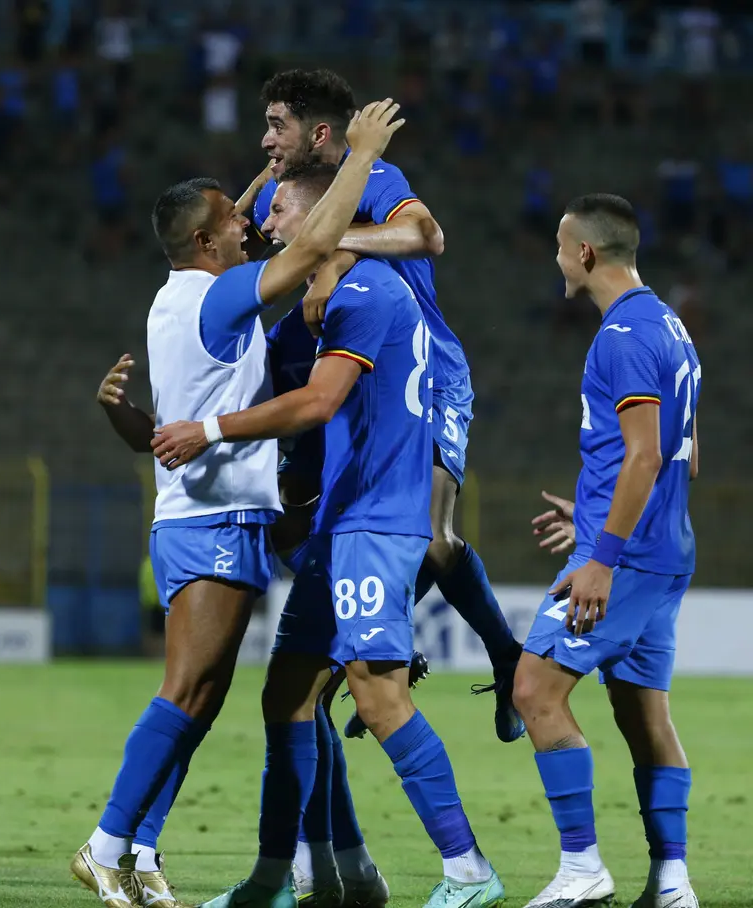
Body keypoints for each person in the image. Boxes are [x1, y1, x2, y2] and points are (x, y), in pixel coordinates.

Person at [70, 99, 405, 908]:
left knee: (202, 700)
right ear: (203, 242)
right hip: (213, 520)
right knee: (186, 692)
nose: (248, 222)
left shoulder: (178, 294)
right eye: (233, 219)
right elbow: (313, 245)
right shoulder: (218, 299)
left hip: (216, 515)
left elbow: (235, 214)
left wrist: (272, 169)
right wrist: (360, 155)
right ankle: (105, 846)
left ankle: (141, 851)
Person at [153, 163, 507, 908]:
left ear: (323, 221)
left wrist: (207, 429)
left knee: (378, 698)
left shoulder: (370, 292)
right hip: (340, 522)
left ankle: (470, 871)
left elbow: (317, 403)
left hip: (377, 517)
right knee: (287, 695)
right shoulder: (325, 298)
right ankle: (273, 879)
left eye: (281, 212)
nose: (266, 225)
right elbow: (264, 365)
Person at [244, 67, 524, 742]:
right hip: (342, 370)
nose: (265, 139)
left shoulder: (374, 177)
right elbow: (235, 228)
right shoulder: (284, 192)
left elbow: (426, 235)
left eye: (277, 126)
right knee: (294, 520)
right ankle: (369, 642)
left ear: (319, 133)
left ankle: (506, 658)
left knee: (430, 534)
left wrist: (334, 248)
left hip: (423, 376)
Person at [512, 194, 701, 908]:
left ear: (585, 253)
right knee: (643, 714)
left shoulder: (621, 335)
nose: (557, 259)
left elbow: (645, 455)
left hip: (625, 558)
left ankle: (582, 867)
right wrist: (593, 509)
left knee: (534, 690)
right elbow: (687, 454)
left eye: (561, 247)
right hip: (665, 550)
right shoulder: (671, 326)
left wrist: (603, 554)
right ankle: (672, 882)